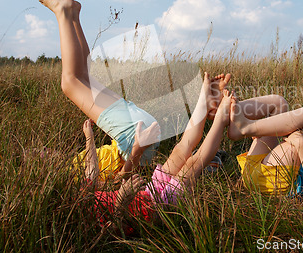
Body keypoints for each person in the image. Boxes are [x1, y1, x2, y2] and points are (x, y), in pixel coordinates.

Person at [34, 0, 230, 165]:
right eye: (39, 155)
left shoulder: (73, 165)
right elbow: (117, 179)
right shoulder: (73, 171)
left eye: (40, 150)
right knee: (70, 82)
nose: (43, 150)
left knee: (82, 77)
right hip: (133, 140)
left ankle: (73, 16)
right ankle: (64, 12)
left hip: (135, 134)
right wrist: (93, 140)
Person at [83, 76, 232, 229]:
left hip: (148, 193)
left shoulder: (80, 195)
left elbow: (91, 171)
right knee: (192, 165)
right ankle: (222, 116)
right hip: (155, 211)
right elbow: (113, 232)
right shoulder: (83, 221)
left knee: (179, 151)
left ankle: (205, 99)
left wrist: (89, 137)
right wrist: (121, 201)